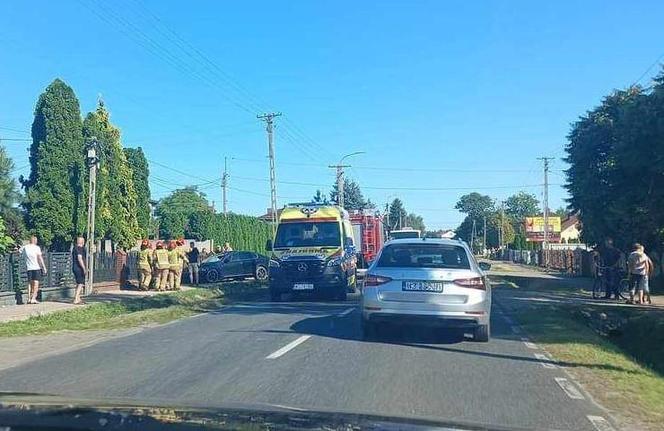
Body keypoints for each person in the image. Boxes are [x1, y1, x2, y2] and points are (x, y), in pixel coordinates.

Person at [20, 236, 47, 304]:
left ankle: (29, 298)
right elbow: (40, 258)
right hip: (36, 267)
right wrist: (44, 267)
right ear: (35, 241)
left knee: (29, 283)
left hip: (28, 268)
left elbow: (19, 251)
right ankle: (33, 298)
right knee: (36, 283)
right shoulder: (36, 248)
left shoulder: (25, 247)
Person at [71, 236, 86, 304]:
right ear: (82, 242)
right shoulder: (80, 248)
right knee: (80, 283)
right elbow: (79, 258)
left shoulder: (74, 248)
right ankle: (76, 299)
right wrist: (84, 268)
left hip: (74, 267)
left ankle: (78, 298)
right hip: (79, 268)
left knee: (78, 283)